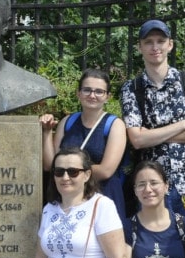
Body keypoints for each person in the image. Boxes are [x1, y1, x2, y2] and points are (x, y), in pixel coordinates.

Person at [121, 19, 185, 226]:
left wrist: (152, 135)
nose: (155, 47)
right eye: (149, 42)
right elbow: (137, 139)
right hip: (152, 188)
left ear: (169, 45)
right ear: (140, 47)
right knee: (157, 249)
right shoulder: (132, 89)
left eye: (160, 41)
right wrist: (183, 124)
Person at [40, 68, 128, 223]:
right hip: (68, 198)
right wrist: (47, 132)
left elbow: (106, 170)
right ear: (78, 93)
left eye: (99, 91)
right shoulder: (67, 122)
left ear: (108, 96)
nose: (92, 95)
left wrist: (68, 171)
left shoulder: (114, 125)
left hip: (102, 196)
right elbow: (50, 166)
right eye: (87, 90)